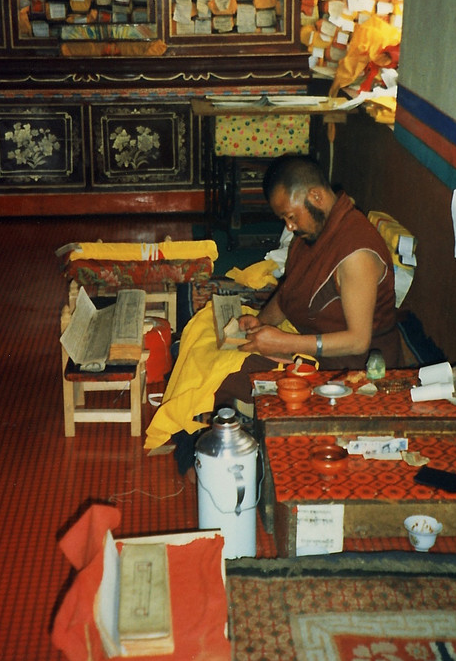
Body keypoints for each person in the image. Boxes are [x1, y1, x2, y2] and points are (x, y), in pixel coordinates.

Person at [146, 153, 402, 466]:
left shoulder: (355, 253)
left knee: (230, 375)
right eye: (285, 220)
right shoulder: (313, 233)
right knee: (204, 327)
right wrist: (258, 322)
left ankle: (208, 449)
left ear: (315, 196)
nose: (290, 226)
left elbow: (358, 341)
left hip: (354, 368)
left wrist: (282, 343)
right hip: (312, 339)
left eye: (291, 217)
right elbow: (288, 294)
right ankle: (203, 422)